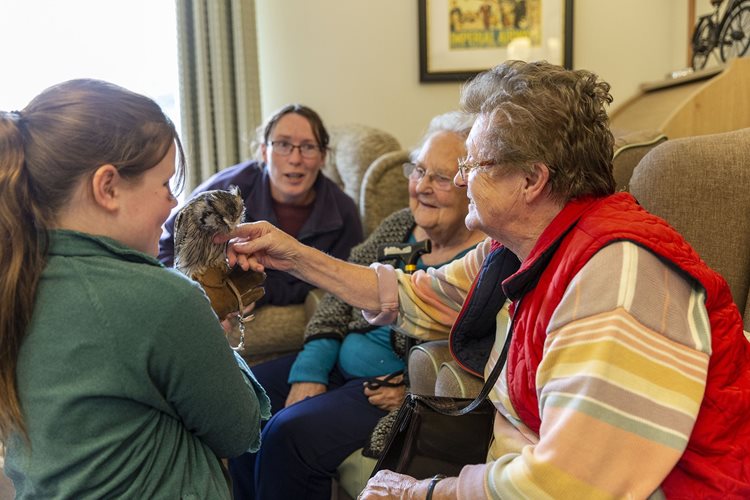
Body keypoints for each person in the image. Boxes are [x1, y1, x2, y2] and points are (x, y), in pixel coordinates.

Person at [219, 60, 750, 498]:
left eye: (474, 163)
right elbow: (410, 294)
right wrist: (292, 255)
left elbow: (566, 486)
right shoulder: (518, 248)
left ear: (531, 180)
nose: (460, 178)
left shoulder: (613, 280)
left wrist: (425, 492)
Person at [0, 79, 270, 499]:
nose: (171, 203)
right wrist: (219, 341)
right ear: (107, 187)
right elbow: (240, 431)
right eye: (164, 185)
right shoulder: (166, 298)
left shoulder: (13, 279)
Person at [227, 111, 487, 499]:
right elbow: (337, 293)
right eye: (418, 171)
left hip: (382, 388)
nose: (422, 187)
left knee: (289, 433)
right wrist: (311, 368)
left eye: (440, 177)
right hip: (337, 364)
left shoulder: (483, 257)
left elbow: (477, 346)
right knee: (243, 395)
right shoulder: (400, 225)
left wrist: (416, 392)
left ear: (470, 184)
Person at [159, 103, 363, 308]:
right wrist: (199, 291)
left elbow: (344, 281)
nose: (295, 159)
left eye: (308, 147)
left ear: (323, 157)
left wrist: (252, 290)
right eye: (283, 144)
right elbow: (167, 243)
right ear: (264, 152)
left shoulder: (343, 212)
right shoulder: (227, 189)